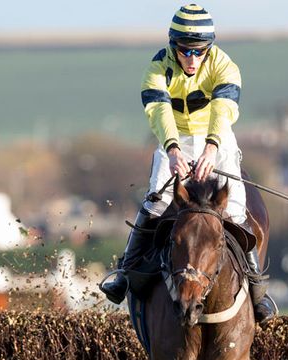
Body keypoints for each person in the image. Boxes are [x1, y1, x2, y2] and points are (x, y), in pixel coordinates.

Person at [100, 4, 277, 323]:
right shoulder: (157, 68)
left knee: (237, 209)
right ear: (173, 45)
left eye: (199, 51)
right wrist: (172, 150)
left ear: (209, 48)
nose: (192, 59)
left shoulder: (224, 66)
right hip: (175, 140)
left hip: (217, 141)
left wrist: (211, 148)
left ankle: (256, 289)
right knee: (155, 202)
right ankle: (125, 273)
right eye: (185, 51)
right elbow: (158, 112)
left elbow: (223, 110)